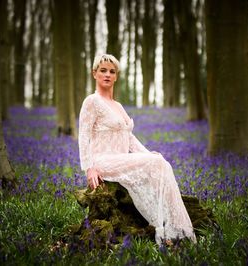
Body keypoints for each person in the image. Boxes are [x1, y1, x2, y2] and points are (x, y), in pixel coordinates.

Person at [78, 54, 196, 245]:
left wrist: (147, 154)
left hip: (120, 158)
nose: (107, 74)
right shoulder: (92, 101)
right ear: (94, 74)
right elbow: (83, 136)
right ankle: (165, 230)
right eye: (103, 70)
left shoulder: (117, 105)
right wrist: (89, 167)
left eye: (112, 71)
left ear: (116, 76)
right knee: (157, 163)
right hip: (103, 161)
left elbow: (129, 138)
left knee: (161, 163)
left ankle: (175, 229)